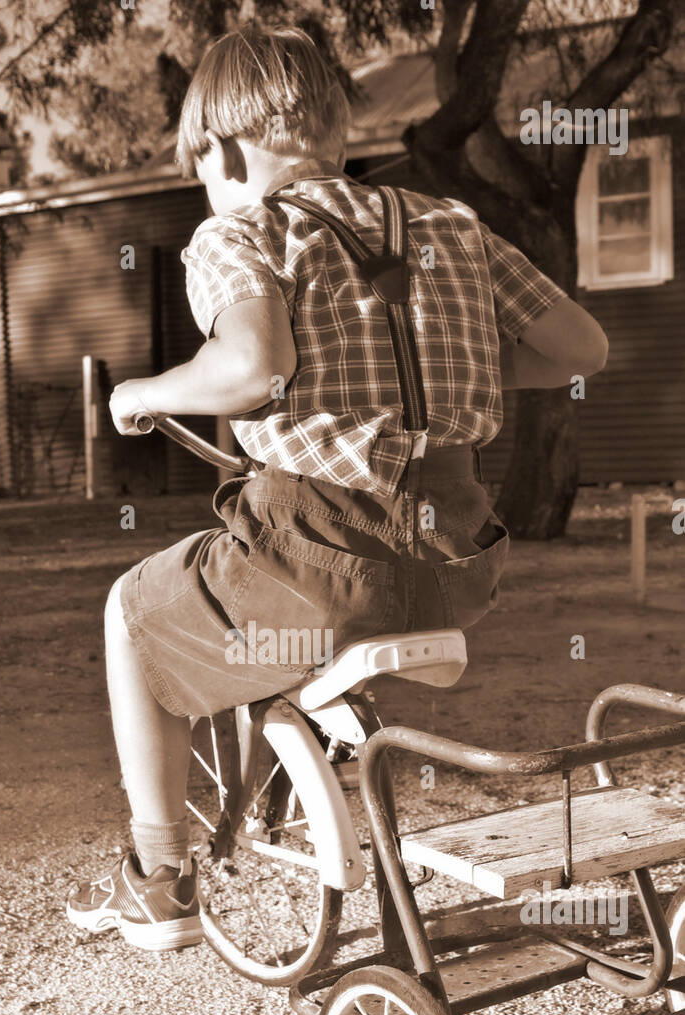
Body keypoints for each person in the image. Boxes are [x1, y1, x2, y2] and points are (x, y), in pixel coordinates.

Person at [66, 25, 608, 949]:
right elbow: (580, 351)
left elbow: (251, 367)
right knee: (297, 608)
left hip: (317, 559)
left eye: (202, 170)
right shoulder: (454, 225)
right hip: (457, 564)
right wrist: (449, 381)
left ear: (226, 151)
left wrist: (143, 394)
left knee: (129, 611)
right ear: (336, 137)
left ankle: (157, 878)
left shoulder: (241, 230)